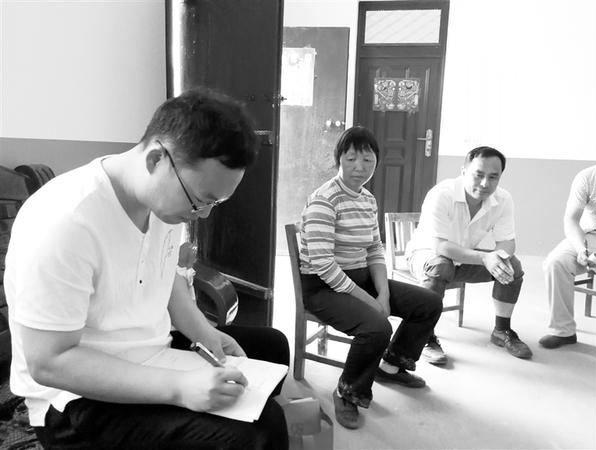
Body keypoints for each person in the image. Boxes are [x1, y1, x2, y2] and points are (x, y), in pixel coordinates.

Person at [4, 87, 290, 449]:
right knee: (259, 429)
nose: (202, 214)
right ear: (156, 159)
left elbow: (165, 278)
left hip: (152, 354)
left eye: (215, 203)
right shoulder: (65, 221)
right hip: (75, 397)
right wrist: (180, 388)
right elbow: (49, 362)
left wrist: (205, 333)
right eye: (200, 200)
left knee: (273, 348)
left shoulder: (165, 205)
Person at [299, 126, 443, 430]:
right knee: (377, 327)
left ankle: (390, 367)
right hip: (322, 287)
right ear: (338, 159)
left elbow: (375, 248)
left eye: (367, 160)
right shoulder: (325, 200)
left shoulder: (367, 198)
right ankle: (347, 391)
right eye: (351, 159)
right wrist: (371, 302)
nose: (359, 167)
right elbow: (324, 266)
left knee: (429, 303)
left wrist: (384, 295)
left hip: (359, 278)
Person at [406, 146, 532, 364]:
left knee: (512, 265)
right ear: (463, 171)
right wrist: (485, 258)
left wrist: (499, 257)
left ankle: (501, 330)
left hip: (463, 259)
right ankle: (424, 335)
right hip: (426, 256)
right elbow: (440, 246)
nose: (485, 183)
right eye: (478, 175)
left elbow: (507, 241)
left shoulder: (503, 199)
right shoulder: (442, 194)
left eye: (493, 177)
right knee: (441, 265)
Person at [540, 163, 596, 348]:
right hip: (591, 235)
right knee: (556, 262)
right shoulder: (588, 177)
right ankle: (563, 331)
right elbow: (571, 220)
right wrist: (581, 249)